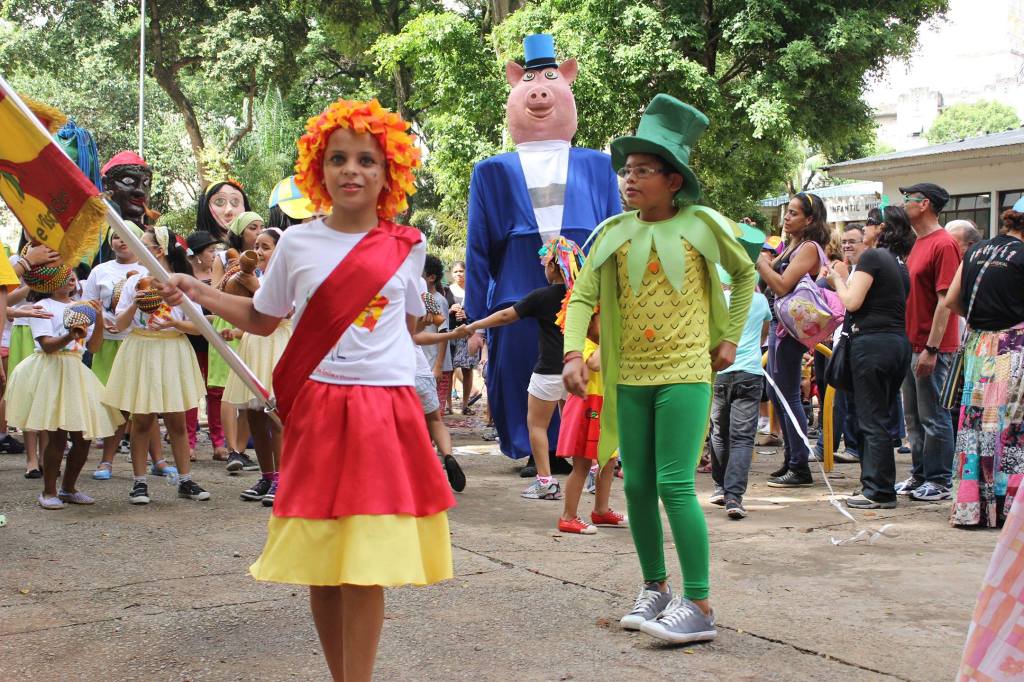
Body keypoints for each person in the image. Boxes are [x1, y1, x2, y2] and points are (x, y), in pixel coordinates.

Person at [155, 98, 455, 682]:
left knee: (364, 563)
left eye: (366, 160)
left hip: (384, 410)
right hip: (319, 406)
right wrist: (197, 289)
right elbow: (263, 318)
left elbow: (410, 324)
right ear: (319, 169)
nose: (351, 170)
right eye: (338, 158)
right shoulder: (296, 244)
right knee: (325, 559)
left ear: (387, 171)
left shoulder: (408, 244)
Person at [563, 94, 755, 644]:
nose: (630, 179)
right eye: (627, 169)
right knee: (638, 483)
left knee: (674, 484)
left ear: (674, 181)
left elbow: (745, 277)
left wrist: (728, 337)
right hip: (630, 375)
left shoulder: (704, 225)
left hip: (684, 373)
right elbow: (580, 297)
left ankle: (700, 602)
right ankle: (655, 587)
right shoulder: (613, 232)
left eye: (645, 170)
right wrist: (574, 352)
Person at [464, 33, 621, 465]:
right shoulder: (491, 171)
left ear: (567, 83)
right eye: (529, 80)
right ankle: (538, 452)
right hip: (517, 293)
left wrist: (618, 301)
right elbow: (476, 250)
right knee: (518, 368)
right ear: (516, 87)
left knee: (582, 367)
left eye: (551, 78)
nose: (539, 91)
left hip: (583, 298)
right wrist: (477, 320)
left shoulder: (599, 165)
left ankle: (578, 447)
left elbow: (614, 237)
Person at [469, 237, 585, 501]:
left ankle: (545, 481)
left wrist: (474, 324)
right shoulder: (582, 298)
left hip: (548, 372)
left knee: (536, 425)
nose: (543, 269)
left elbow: (505, 315)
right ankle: (590, 473)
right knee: (577, 426)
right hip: (577, 371)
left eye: (545, 263)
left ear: (554, 267)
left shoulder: (542, 297)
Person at [104, 226, 210, 505]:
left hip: (171, 348)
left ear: (159, 251)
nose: (137, 250)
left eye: (144, 246)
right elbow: (119, 325)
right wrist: (136, 304)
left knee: (176, 420)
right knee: (141, 419)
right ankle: (139, 483)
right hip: (141, 348)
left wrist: (175, 322)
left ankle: (185, 480)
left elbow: (198, 327)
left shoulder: (180, 282)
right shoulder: (134, 282)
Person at [5, 268, 122, 509]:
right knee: (57, 437)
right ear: (49, 283)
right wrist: (71, 335)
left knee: (83, 438)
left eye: (72, 275)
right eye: (62, 275)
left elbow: (95, 347)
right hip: (51, 372)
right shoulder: (43, 306)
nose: (71, 278)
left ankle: (68, 488)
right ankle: (48, 491)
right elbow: (47, 346)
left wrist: (98, 318)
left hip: (75, 371)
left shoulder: (82, 307)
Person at [945, 198, 1024, 528]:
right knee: (1012, 429)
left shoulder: (975, 252)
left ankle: (972, 507)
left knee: (978, 427)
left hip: (979, 349)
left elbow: (951, 300)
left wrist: (983, 323)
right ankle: (1010, 507)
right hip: (1015, 349)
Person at [828, 212, 914, 509]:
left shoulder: (873, 257)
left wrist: (838, 279)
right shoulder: (900, 264)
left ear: (881, 229)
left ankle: (878, 490)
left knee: (871, 418)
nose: (863, 228)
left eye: (868, 223)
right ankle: (875, 484)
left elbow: (851, 301)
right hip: (896, 344)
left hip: (873, 345)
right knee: (881, 416)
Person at [755, 192, 832, 487]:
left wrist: (760, 261)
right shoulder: (791, 247)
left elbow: (783, 286)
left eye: (794, 213)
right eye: (787, 213)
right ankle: (791, 459)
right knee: (776, 394)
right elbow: (767, 284)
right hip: (778, 324)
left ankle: (800, 466)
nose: (787, 218)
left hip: (789, 327)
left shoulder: (810, 248)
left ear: (810, 220)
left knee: (787, 394)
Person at [895, 183, 961, 501]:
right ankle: (920, 473)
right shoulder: (917, 243)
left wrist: (931, 348)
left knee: (933, 415)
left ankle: (940, 480)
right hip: (911, 343)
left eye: (907, 199)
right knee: (913, 416)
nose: (903, 203)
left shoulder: (944, 243)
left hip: (931, 346)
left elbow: (945, 300)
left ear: (924, 205)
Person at [222, 228, 290, 506]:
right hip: (255, 345)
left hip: (279, 345)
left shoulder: (290, 277)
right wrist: (236, 332)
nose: (259, 252)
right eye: (257, 246)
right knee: (254, 416)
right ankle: (268, 476)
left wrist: (253, 286)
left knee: (277, 416)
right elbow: (251, 313)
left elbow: (284, 312)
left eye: (266, 247)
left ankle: (285, 481)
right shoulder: (255, 277)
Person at [554, 311, 627, 533]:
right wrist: (611, 336)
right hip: (587, 406)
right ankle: (568, 516)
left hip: (605, 404)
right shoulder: (583, 345)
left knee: (608, 461)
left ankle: (601, 511)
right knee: (582, 464)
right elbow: (594, 364)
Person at [709, 264, 772, 519]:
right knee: (743, 438)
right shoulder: (760, 301)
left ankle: (719, 487)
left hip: (720, 373)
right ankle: (734, 497)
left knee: (719, 433)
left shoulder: (717, 300)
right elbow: (763, 335)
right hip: (750, 374)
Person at [412, 278, 469, 492]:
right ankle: (448, 455)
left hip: (395, 373)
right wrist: (452, 332)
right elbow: (438, 319)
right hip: (420, 370)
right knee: (435, 421)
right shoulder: (420, 286)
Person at [183, 230, 226, 461]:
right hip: (191, 340)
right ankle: (188, 443)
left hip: (216, 341)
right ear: (197, 255)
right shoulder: (184, 276)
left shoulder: (220, 275)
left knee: (216, 392)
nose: (214, 254)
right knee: (191, 392)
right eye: (210, 250)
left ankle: (219, 442)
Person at [422, 255, 454, 415]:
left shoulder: (438, 300)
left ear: (431, 277)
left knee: (434, 414)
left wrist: (438, 366)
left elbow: (444, 334)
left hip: (437, 365)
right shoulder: (421, 299)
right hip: (425, 364)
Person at [447, 260, 480, 414]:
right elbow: (440, 312)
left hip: (468, 334)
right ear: (451, 274)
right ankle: (448, 405)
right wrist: (450, 310)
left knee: (467, 370)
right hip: (451, 334)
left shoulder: (473, 291)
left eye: (461, 271)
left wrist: (467, 315)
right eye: (456, 272)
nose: (459, 274)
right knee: (449, 369)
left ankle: (465, 405)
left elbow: (479, 313)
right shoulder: (447, 291)